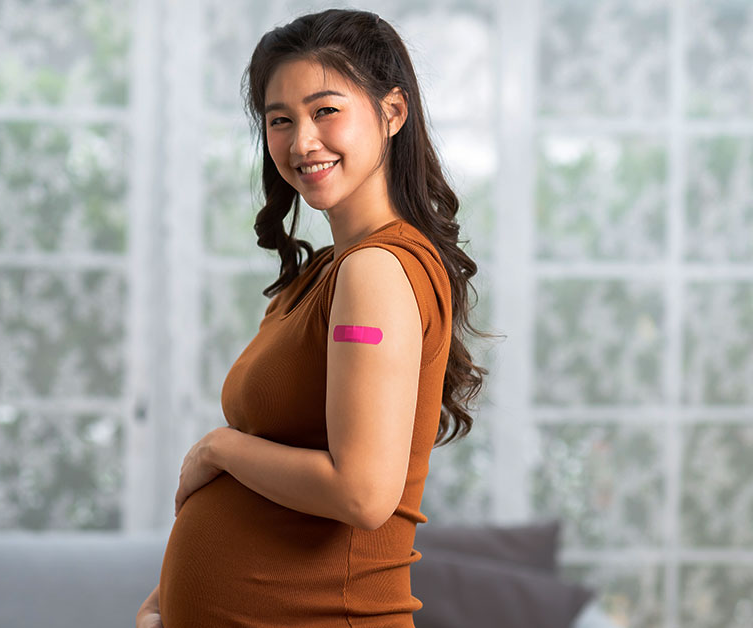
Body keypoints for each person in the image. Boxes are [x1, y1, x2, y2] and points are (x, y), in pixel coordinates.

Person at [137, 8, 491, 627]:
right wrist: (170, 599)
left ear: (392, 112)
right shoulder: (333, 269)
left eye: (326, 110)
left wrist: (220, 448)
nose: (301, 142)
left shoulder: (375, 270)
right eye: (281, 120)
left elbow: (361, 492)